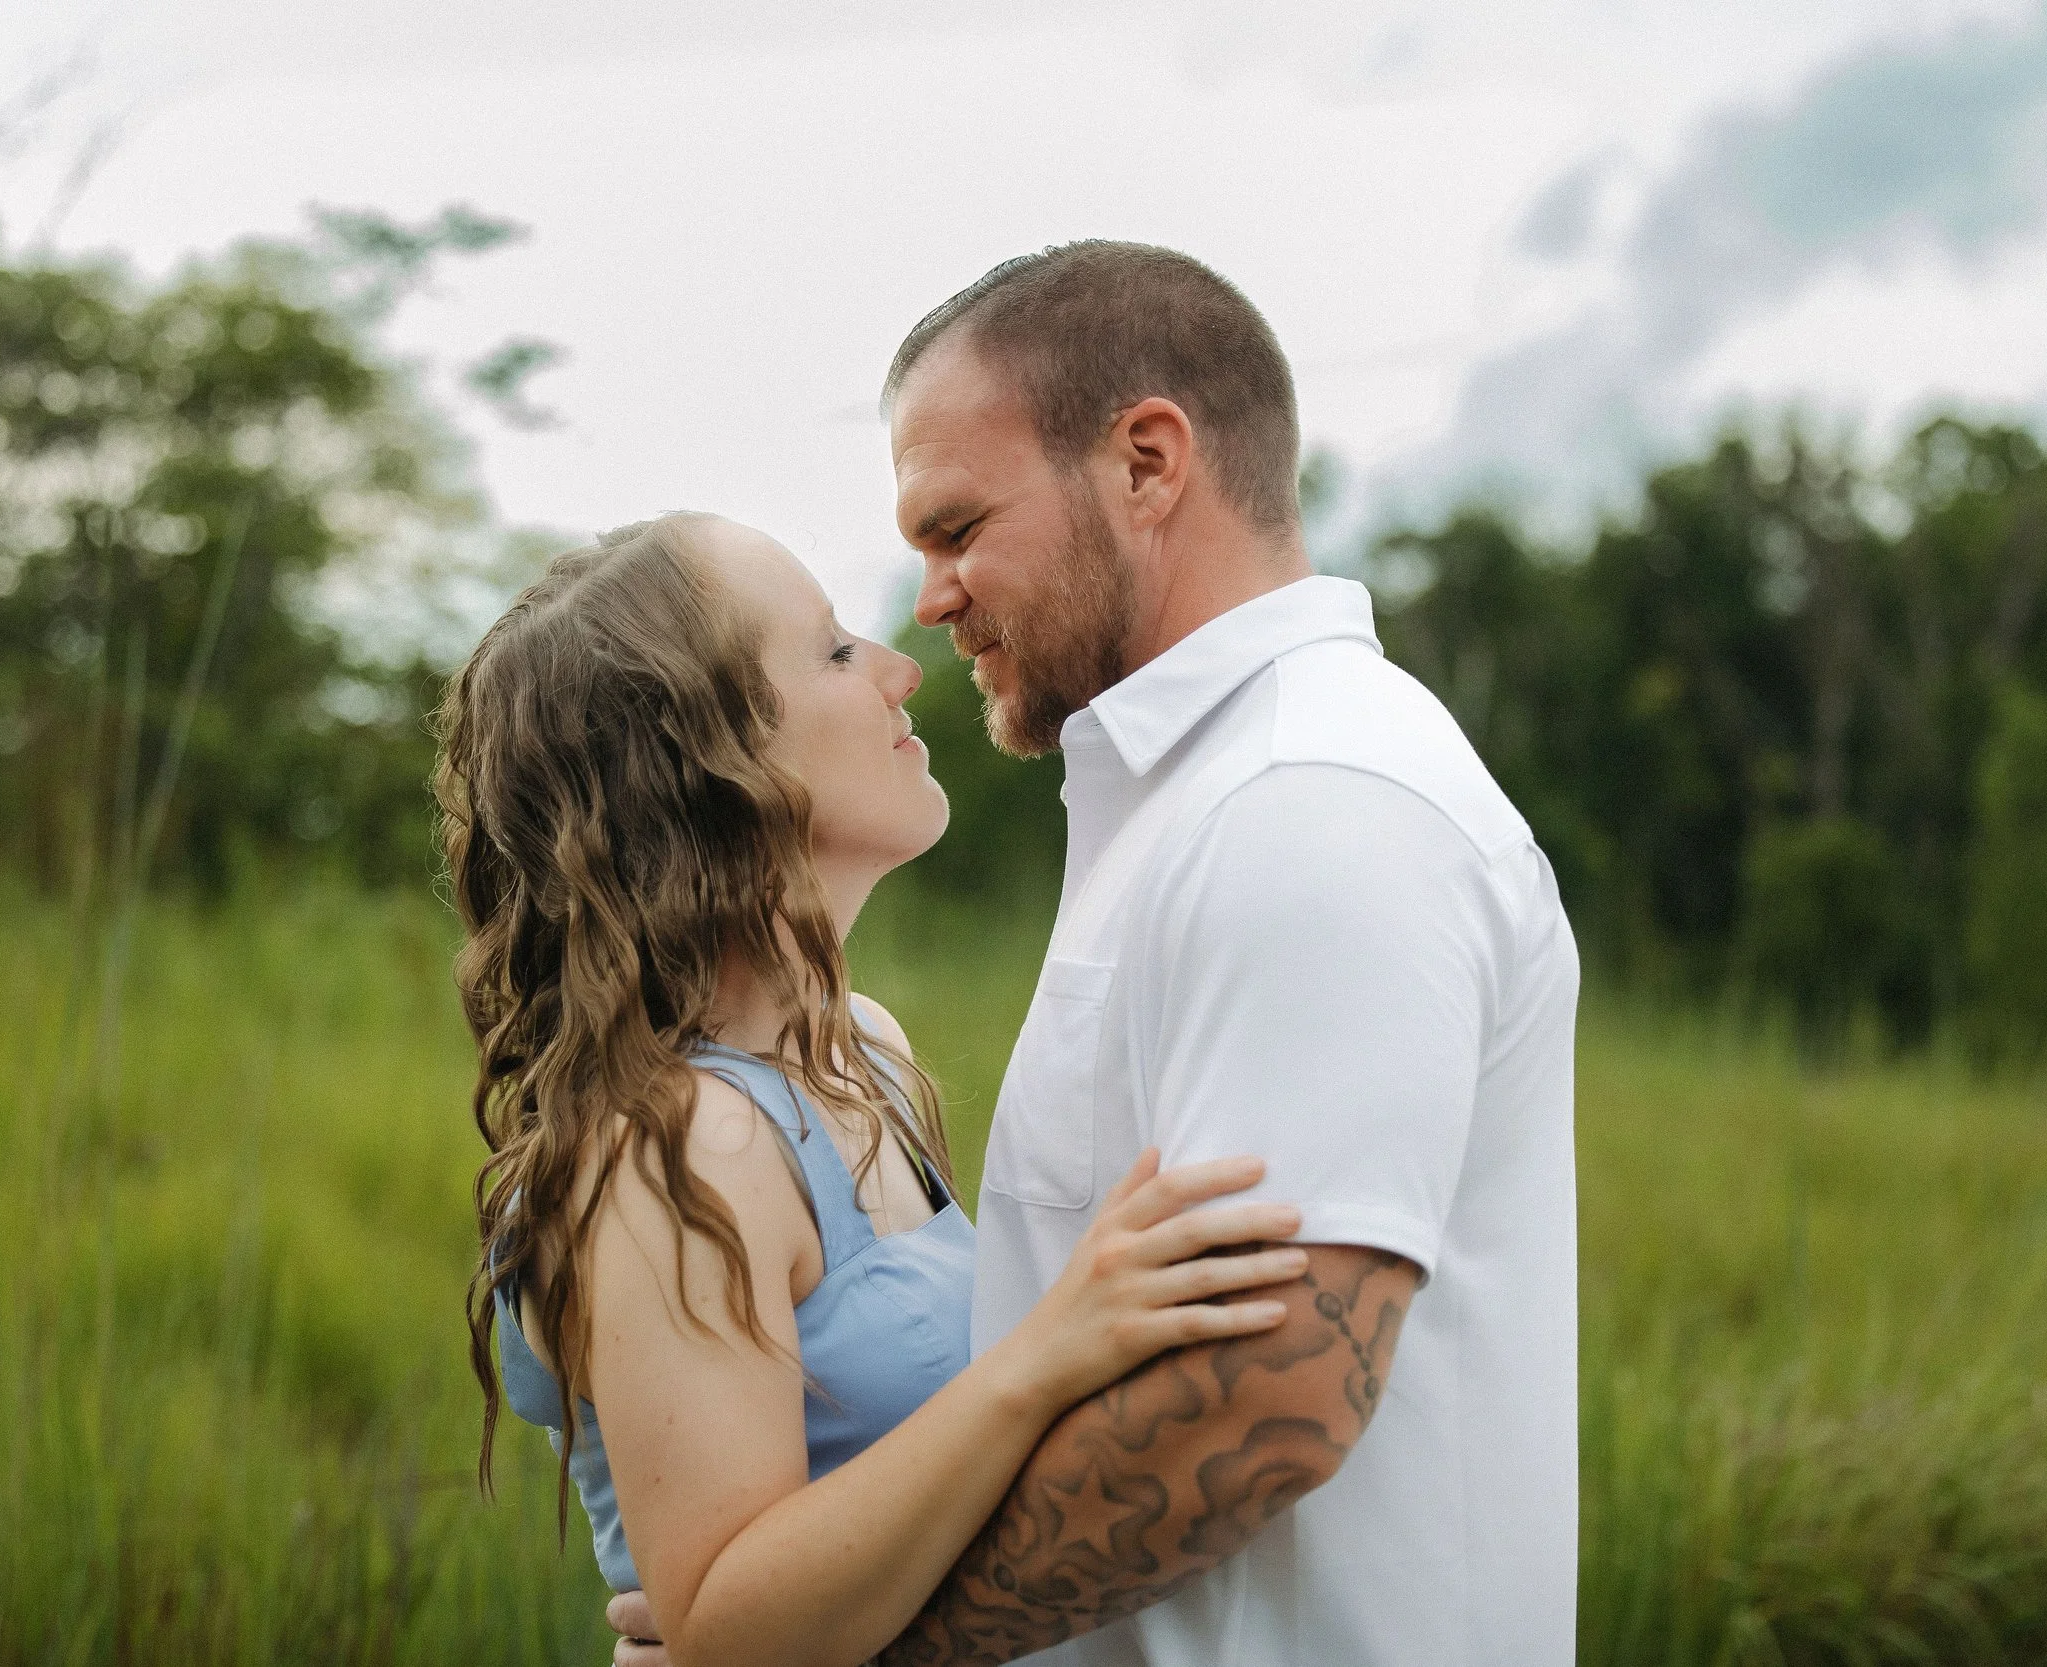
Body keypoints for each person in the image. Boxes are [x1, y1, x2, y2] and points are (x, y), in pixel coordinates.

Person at [616, 242, 1581, 1666]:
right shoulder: (1190, 801)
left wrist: (867, 1651)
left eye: (956, 528)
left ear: (1145, 463)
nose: (929, 599)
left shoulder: (1309, 805)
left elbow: (1270, 1393)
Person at [440, 512, 1313, 1667]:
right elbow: (726, 1632)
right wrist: (1043, 1354)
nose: (905, 667)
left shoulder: (866, 1050)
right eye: (838, 650)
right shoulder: (684, 1144)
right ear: (708, 766)